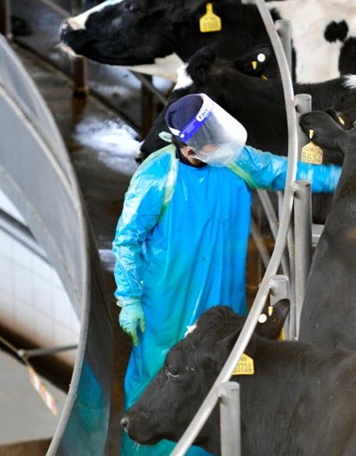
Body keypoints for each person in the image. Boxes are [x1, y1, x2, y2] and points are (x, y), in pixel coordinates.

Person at [113, 93, 341, 455]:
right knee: (160, 375)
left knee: (217, 373)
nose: (217, 144)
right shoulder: (156, 177)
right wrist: (129, 300)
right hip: (166, 300)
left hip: (220, 297)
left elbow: (281, 170)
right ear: (188, 149)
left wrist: (341, 177)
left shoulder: (232, 161)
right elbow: (126, 241)